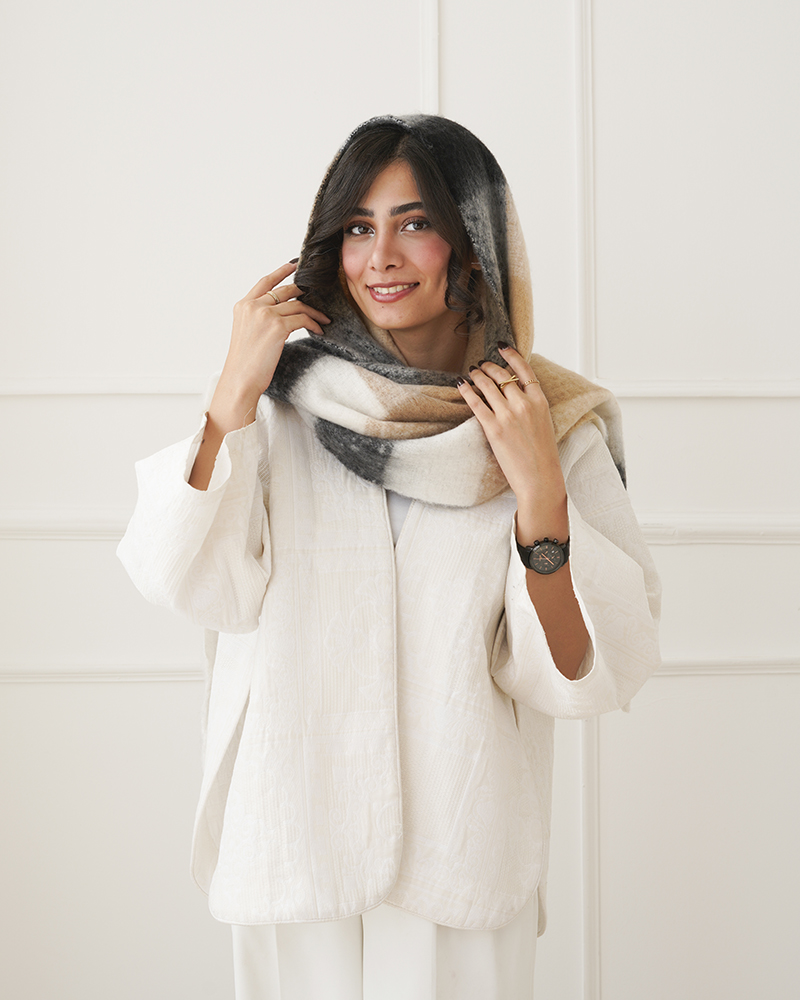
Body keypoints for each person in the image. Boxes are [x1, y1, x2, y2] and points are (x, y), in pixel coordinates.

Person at [118, 114, 661, 1000]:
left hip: (464, 855)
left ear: (473, 245)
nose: (381, 257)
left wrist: (540, 497)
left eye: (415, 223)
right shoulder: (278, 407)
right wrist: (230, 394)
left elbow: (586, 673)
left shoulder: (549, 425)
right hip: (291, 839)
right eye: (358, 227)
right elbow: (183, 578)